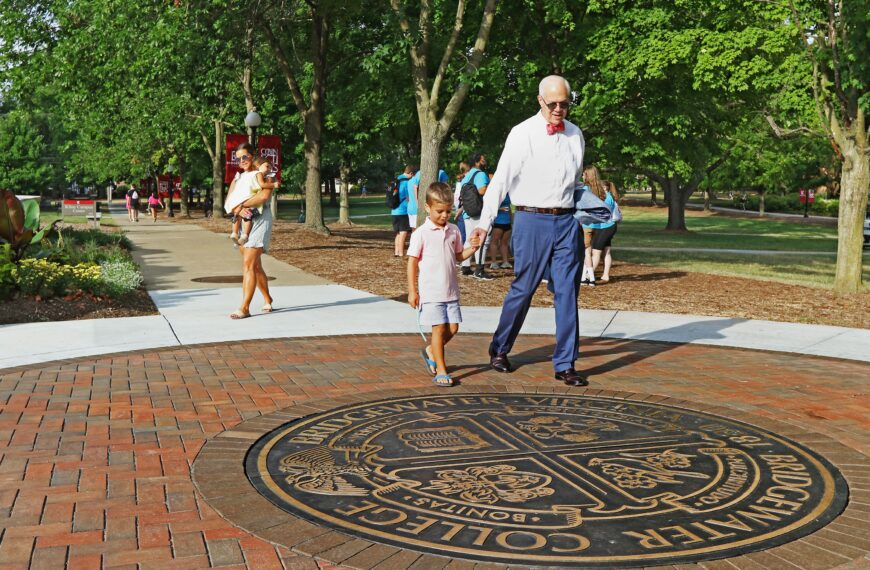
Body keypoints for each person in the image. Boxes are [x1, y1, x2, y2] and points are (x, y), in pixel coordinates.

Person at [470, 75, 588, 386]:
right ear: (540, 101)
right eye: (553, 104)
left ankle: (565, 364)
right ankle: (499, 348)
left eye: (565, 103)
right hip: (530, 219)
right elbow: (500, 181)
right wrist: (484, 224)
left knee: (567, 293)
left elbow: (573, 181)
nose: (560, 109)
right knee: (524, 287)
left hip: (567, 222)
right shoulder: (522, 133)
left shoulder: (576, 135)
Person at [407, 182, 481, 387]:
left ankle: (431, 350)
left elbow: (458, 256)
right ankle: (441, 369)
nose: (444, 215)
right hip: (431, 292)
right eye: (439, 211)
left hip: (451, 291)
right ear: (427, 208)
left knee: (454, 328)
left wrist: (472, 249)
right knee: (438, 329)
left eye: (448, 211)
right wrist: (413, 291)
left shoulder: (454, 230)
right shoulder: (421, 233)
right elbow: (412, 262)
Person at [228, 143, 275, 319]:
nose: (242, 161)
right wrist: (237, 209)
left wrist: (241, 205)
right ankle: (268, 298)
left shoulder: (265, 174)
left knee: (248, 264)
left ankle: (244, 308)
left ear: (252, 155)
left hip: (261, 221)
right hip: (243, 221)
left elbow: (263, 196)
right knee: (255, 265)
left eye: (245, 157)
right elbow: (229, 201)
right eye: (238, 158)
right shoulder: (238, 178)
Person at [225, 156, 280, 245]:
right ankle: (239, 234)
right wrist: (273, 185)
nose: (269, 169)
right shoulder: (245, 176)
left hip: (253, 206)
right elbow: (230, 199)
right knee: (244, 216)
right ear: (258, 165)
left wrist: (239, 205)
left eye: (270, 167)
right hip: (246, 203)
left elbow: (263, 196)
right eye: (267, 166)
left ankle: (240, 234)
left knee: (245, 216)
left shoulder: (267, 176)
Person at [460, 153, 492, 280]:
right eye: (483, 159)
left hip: (467, 212)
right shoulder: (480, 174)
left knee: (469, 238)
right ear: (478, 162)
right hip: (478, 212)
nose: (485, 161)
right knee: (482, 240)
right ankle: (479, 270)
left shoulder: (467, 176)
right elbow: (482, 190)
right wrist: (493, 186)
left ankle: (465, 266)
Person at [580, 166, 608, 287]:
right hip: (595, 224)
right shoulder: (599, 190)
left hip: (585, 223)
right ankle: (583, 276)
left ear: (588, 175)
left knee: (586, 252)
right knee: (589, 250)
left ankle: (590, 278)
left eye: (584, 174)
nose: (582, 176)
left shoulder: (585, 189)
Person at [590, 180, 620, 283]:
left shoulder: (606, 198)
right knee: (606, 252)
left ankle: (589, 275)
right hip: (608, 226)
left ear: (605, 188)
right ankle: (606, 275)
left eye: (600, 187)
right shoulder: (609, 197)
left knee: (596, 251)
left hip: (606, 227)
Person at [390, 165, 414, 258]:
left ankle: (396, 252)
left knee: (398, 233)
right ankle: (401, 254)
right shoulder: (406, 182)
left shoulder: (397, 180)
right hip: (403, 211)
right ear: (411, 173)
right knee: (403, 232)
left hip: (394, 211)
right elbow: (408, 198)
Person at [489, 193, 513, 270]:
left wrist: (511, 220)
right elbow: (489, 208)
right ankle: (493, 262)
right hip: (498, 221)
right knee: (494, 242)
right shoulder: (496, 193)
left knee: (504, 243)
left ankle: (505, 262)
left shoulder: (508, 193)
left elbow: (509, 207)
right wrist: (500, 209)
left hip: (507, 221)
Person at [453, 162, 469, 246]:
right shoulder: (463, 183)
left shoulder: (459, 183)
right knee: (463, 234)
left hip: (461, 209)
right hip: (463, 210)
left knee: (462, 233)